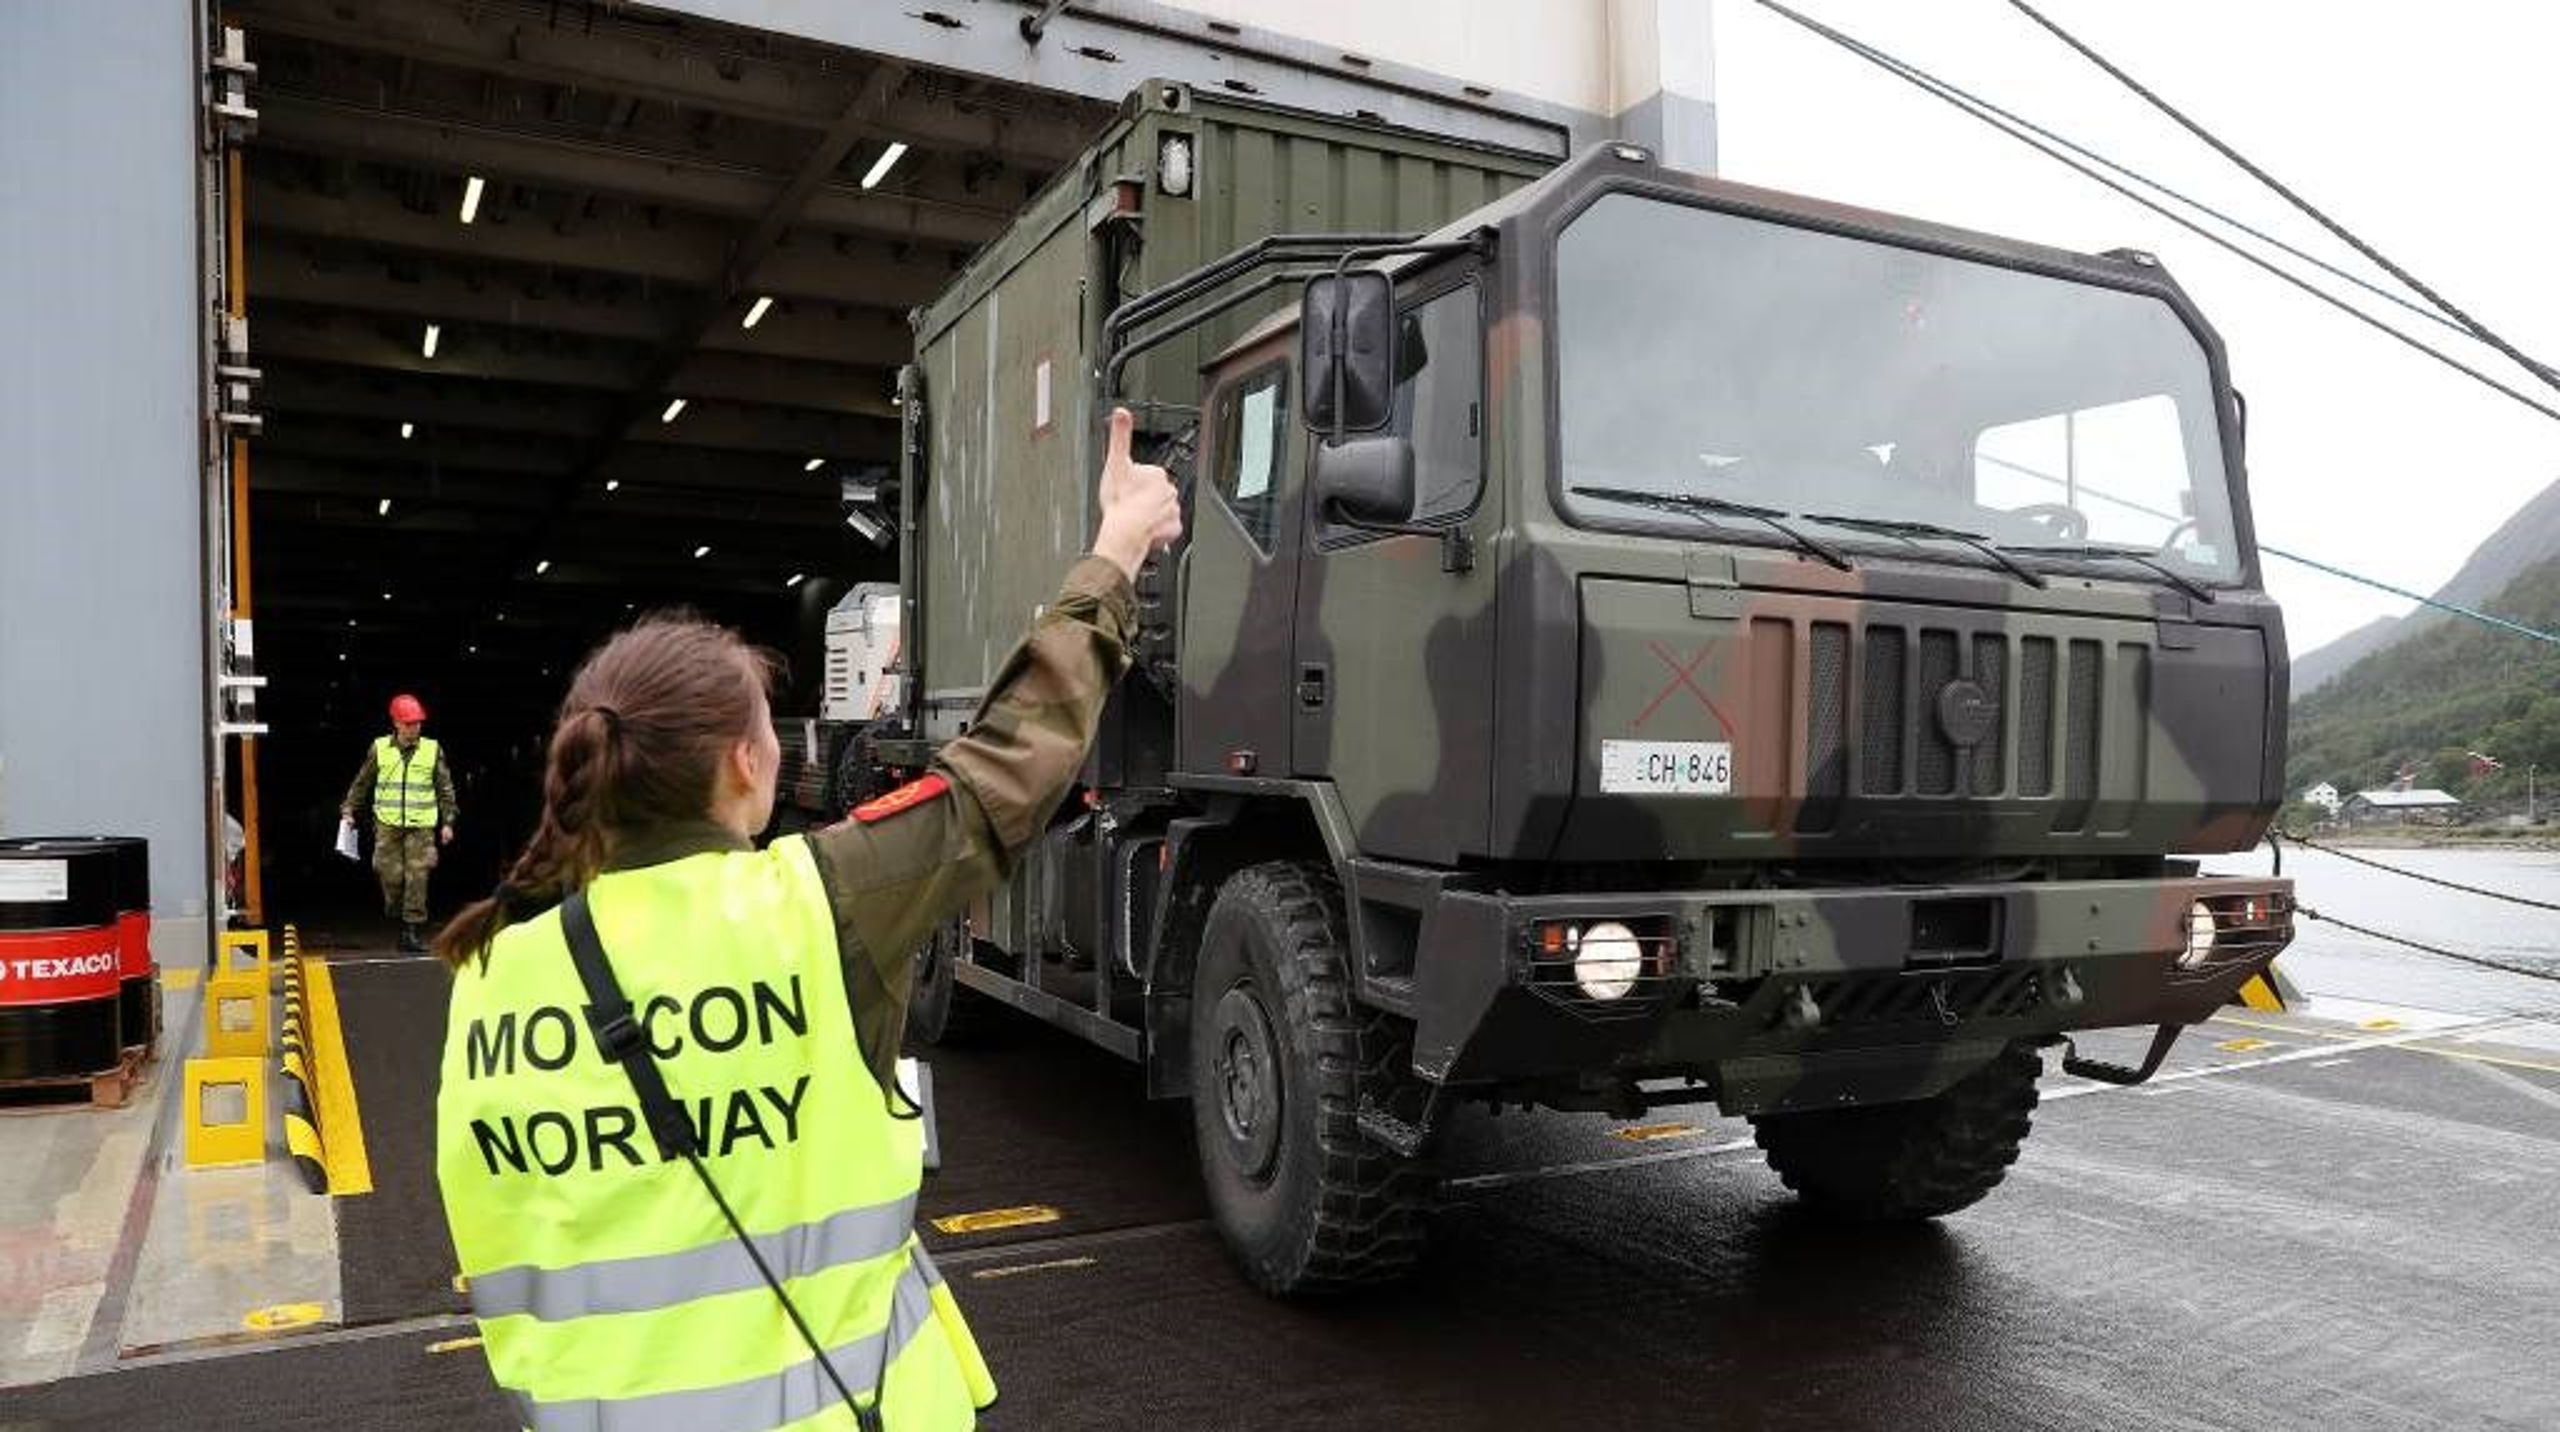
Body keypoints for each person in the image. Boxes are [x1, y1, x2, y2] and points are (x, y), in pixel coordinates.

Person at [431, 409, 1181, 1430]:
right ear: (747, 761)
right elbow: (1007, 768)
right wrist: (1118, 547)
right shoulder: (811, 903)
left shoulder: (492, 975)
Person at [342, 692, 457, 952]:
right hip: (387, 824)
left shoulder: (432, 749)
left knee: (418, 877)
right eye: (408, 723)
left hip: (421, 826)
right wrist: (349, 808)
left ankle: (411, 930)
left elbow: (445, 787)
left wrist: (448, 822)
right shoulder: (380, 748)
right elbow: (363, 782)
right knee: (388, 873)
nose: (414, 727)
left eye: (418, 723)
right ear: (396, 723)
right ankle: (396, 907)